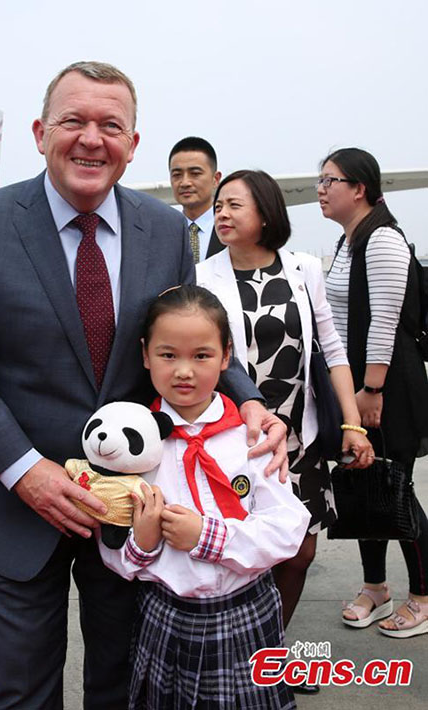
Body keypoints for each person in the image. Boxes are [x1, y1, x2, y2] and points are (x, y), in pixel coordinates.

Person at [0, 61, 288, 710]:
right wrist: (23, 470)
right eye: (73, 121)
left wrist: (250, 398)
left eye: (111, 125)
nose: (92, 138)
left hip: (134, 509)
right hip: (15, 506)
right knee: (24, 692)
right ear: (40, 132)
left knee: (123, 688)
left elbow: (189, 335)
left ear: (133, 144)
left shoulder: (165, 228)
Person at [99, 284, 311, 710]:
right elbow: (114, 554)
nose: (184, 371)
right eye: (167, 354)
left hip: (246, 611)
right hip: (165, 616)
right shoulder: (135, 449)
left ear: (226, 357)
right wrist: (140, 542)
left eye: (201, 355)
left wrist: (207, 536)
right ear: (144, 355)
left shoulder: (249, 438)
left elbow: (290, 528)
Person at [196, 170, 373, 672]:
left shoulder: (302, 269)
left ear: (267, 214)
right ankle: (233, 659)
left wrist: (353, 423)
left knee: (299, 555)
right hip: (241, 439)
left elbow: (332, 349)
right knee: (245, 556)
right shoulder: (203, 276)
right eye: (219, 206)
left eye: (234, 205)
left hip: (303, 436)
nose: (222, 215)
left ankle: (265, 655)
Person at [319, 147, 428, 638]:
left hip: (387, 384)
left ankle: (423, 596)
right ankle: (376, 588)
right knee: (365, 483)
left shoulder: (381, 238)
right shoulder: (348, 241)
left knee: (398, 489)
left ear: (358, 189)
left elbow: (385, 320)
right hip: (360, 386)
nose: (321, 189)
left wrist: (369, 390)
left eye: (330, 181)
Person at [169, 136, 225, 262]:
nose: (185, 183)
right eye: (177, 175)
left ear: (215, 179)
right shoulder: (162, 231)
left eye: (195, 174)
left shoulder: (230, 226)